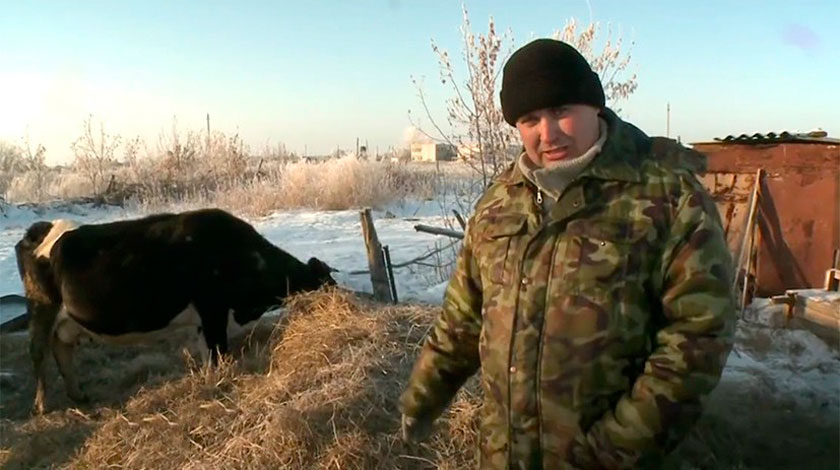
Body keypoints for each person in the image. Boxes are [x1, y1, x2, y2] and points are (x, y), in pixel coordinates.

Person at [398, 38, 736, 469]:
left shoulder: (666, 197)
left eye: (561, 112)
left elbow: (699, 334)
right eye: (530, 119)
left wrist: (617, 446)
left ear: (594, 106)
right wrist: (423, 394)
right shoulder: (499, 204)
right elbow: (463, 317)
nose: (548, 133)